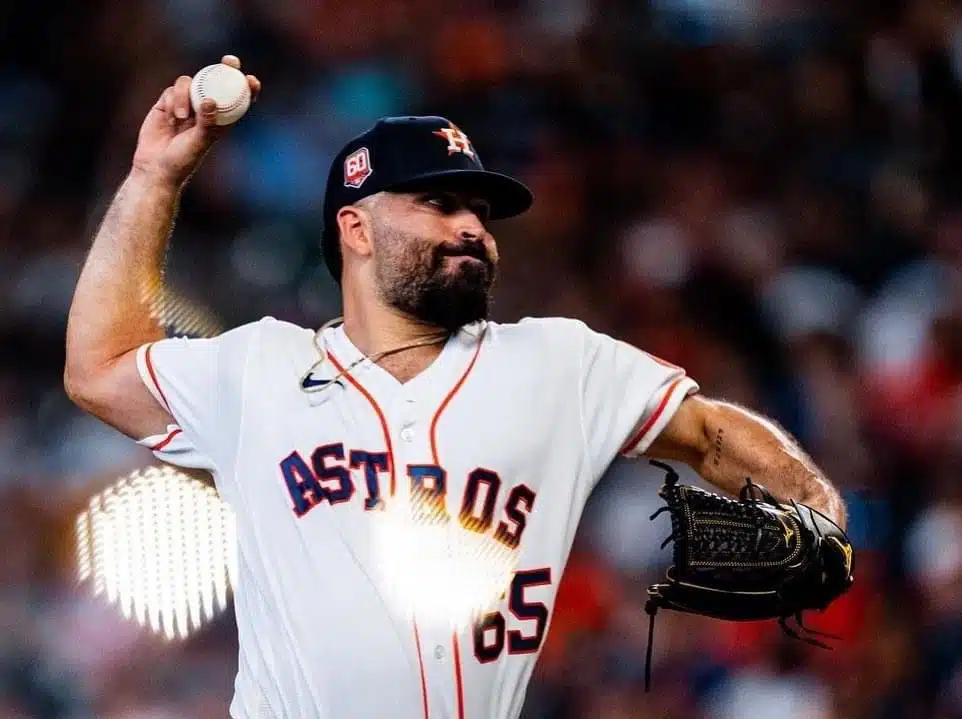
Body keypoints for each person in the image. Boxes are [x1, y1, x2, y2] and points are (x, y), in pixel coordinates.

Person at [64, 55, 847, 719]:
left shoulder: (559, 364)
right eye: (439, 204)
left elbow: (708, 432)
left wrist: (817, 507)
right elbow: (97, 366)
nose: (471, 226)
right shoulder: (256, 369)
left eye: (479, 210)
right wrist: (154, 176)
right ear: (357, 228)